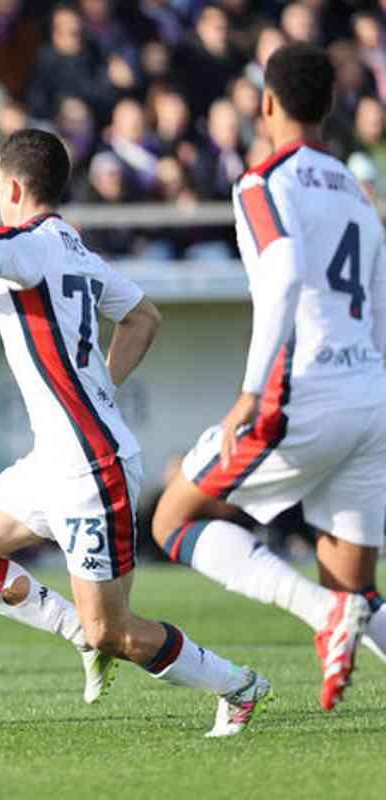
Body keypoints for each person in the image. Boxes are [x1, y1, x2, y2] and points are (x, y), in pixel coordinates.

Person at [0, 129, 271, 737]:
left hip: (93, 469)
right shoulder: (77, 250)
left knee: (113, 632)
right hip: (55, 460)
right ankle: (79, 638)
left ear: (11, 187)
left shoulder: (31, 244)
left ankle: (239, 684)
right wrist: (101, 388)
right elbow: (144, 317)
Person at [151, 43, 386, 712]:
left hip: (301, 392)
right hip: (369, 393)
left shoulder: (263, 181)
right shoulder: (356, 190)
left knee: (174, 520)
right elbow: (380, 293)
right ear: (333, 107)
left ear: (266, 103)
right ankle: (334, 611)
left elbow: (282, 269)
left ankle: (320, 615)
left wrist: (251, 393)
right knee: (359, 592)